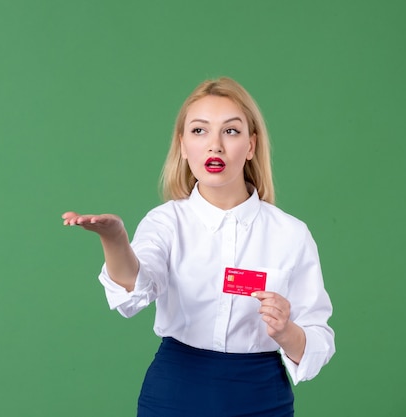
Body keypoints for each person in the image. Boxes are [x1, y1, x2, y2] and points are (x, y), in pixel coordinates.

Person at [62, 76, 335, 417]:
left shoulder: (291, 234)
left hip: (262, 398)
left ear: (251, 146)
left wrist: (286, 330)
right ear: (182, 144)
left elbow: (319, 340)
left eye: (231, 131)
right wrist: (114, 239)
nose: (215, 146)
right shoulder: (165, 223)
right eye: (199, 131)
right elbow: (137, 288)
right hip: (176, 393)